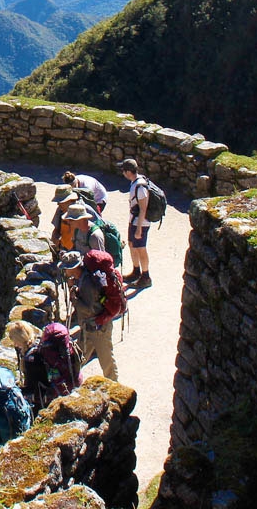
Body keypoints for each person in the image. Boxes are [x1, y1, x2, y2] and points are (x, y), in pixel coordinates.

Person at [58, 251, 118, 381]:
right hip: (90, 327)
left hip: (98, 329)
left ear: (73, 268)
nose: (64, 272)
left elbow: (89, 310)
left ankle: (115, 387)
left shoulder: (88, 283)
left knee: (106, 360)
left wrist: (74, 298)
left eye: (66, 269)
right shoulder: (83, 278)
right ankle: (69, 381)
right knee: (78, 357)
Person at [117, 158, 152, 289]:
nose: (123, 173)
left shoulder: (140, 186)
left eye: (123, 171)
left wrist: (138, 229)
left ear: (128, 172)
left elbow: (143, 208)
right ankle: (136, 271)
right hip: (134, 221)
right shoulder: (135, 182)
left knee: (141, 248)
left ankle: (146, 276)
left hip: (140, 223)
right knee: (132, 245)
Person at [50, 185, 100, 252]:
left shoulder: (86, 211)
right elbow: (56, 230)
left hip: (84, 253)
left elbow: (98, 229)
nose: (58, 204)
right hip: (64, 250)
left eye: (61, 201)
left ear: (70, 200)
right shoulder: (60, 210)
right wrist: (55, 240)